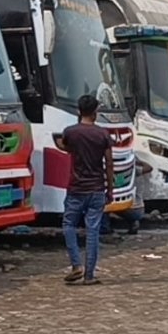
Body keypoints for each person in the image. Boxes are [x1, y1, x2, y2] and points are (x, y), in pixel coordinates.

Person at [53, 94, 114, 286]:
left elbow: (65, 147)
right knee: (93, 230)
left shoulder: (71, 132)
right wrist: (110, 189)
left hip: (76, 188)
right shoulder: (103, 134)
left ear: (79, 111)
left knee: (69, 225)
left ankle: (76, 264)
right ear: (95, 112)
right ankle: (89, 275)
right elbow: (109, 163)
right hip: (97, 189)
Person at [101, 159, 153, 235]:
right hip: (139, 208)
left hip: (129, 206)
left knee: (102, 205)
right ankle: (133, 222)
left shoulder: (121, 172)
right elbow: (149, 167)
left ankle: (105, 229)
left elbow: (118, 188)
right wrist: (137, 161)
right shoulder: (135, 170)